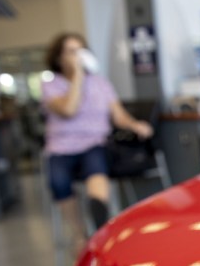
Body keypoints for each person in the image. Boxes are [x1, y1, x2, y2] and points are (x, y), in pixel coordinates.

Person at [42, 32, 153, 242]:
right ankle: (79, 234)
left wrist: (134, 124)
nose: (77, 56)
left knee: (96, 167)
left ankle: (100, 224)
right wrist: (77, 77)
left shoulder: (100, 83)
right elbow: (68, 110)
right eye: (71, 52)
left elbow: (118, 115)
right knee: (59, 182)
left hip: (94, 142)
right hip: (61, 147)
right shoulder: (50, 84)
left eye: (80, 51)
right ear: (58, 58)